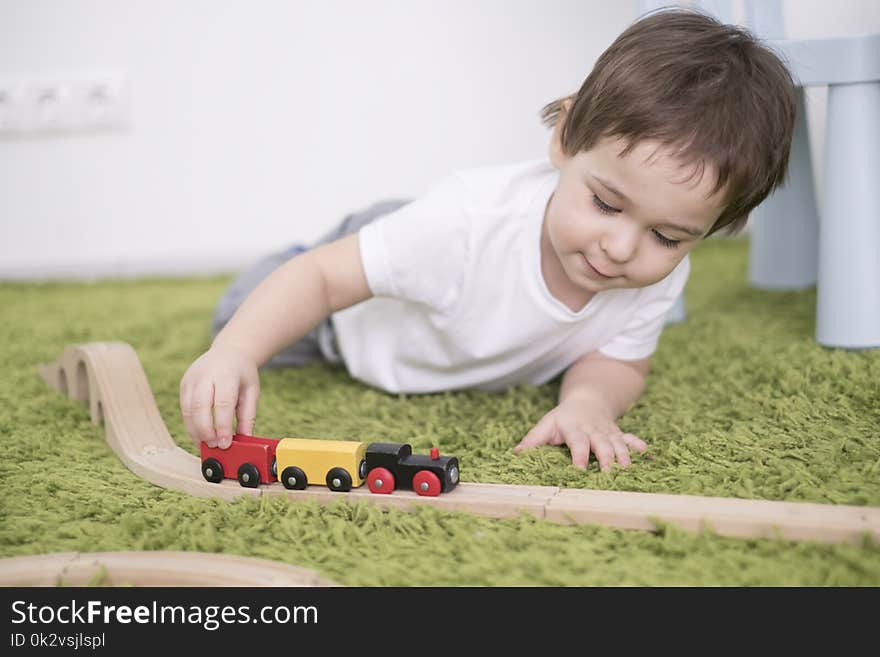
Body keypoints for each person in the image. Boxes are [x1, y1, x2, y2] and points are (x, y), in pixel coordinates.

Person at [179, 8, 796, 471]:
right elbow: (320, 280)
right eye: (606, 203)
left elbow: (617, 360)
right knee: (241, 317)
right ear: (564, 138)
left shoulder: (658, 272)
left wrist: (589, 406)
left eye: (666, 236)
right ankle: (356, 240)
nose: (621, 248)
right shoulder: (463, 226)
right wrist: (235, 352)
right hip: (364, 308)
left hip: (448, 283)